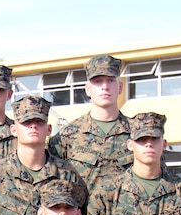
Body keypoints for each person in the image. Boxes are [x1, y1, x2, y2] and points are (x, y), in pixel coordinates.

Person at [48, 54, 133, 190]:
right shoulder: (67, 136)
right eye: (98, 81)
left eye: (110, 80)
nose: (105, 87)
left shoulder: (137, 133)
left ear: (120, 88)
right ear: (88, 89)